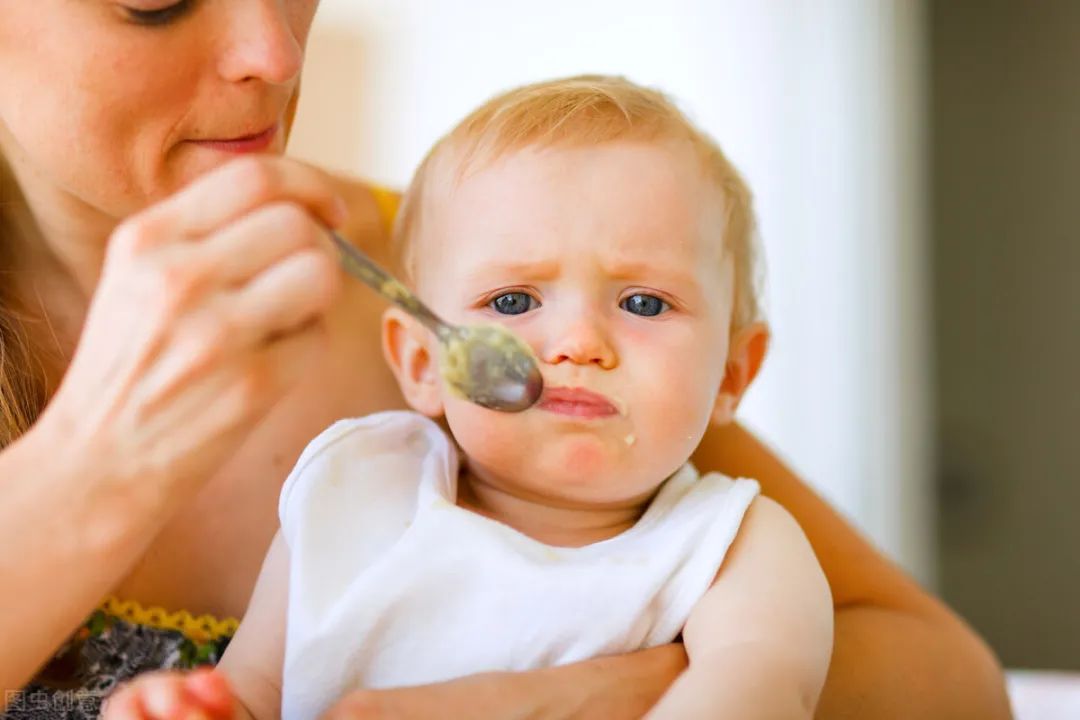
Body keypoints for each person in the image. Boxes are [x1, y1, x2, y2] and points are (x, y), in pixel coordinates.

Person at [0, 2, 1009, 719]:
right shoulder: (372, 452)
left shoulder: (454, 277)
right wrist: (90, 469)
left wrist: (559, 698)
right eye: (154, 2)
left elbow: (950, 683)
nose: (272, 47)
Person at [100, 75, 836, 720]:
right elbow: (255, 693)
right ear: (421, 361)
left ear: (734, 375)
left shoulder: (732, 546)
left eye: (643, 304)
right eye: (513, 300)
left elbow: (758, 693)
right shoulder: (353, 490)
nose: (578, 342)